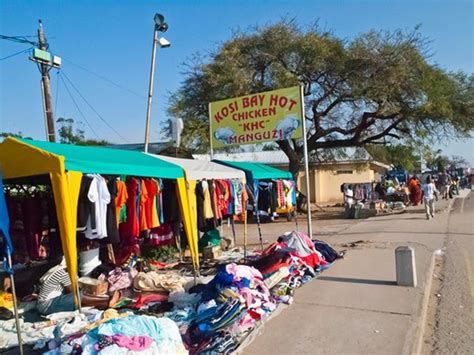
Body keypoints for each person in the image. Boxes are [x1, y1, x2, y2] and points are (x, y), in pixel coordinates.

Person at [37, 258, 116, 315]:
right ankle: (107, 301)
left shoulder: (59, 270)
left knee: (81, 296)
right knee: (78, 296)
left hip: (51, 302)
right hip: (47, 306)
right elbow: (72, 291)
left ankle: (106, 301)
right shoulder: (63, 272)